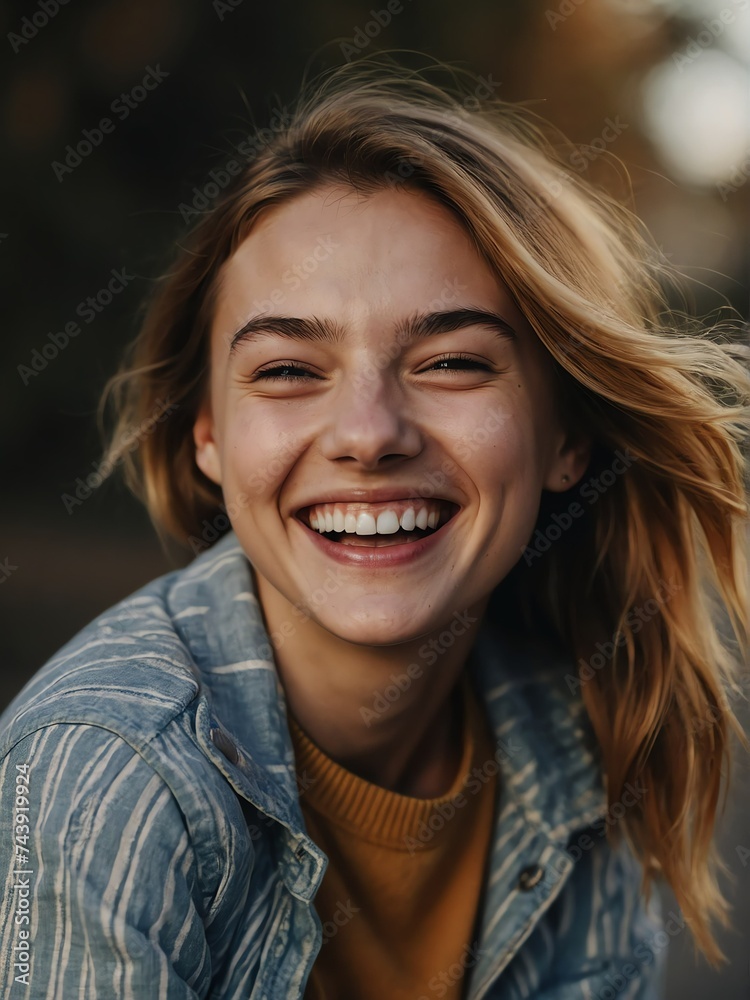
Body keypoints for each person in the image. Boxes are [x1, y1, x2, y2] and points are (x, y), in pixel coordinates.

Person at [1, 56, 748, 1000]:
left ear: (569, 436)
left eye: (451, 363)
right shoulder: (105, 774)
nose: (368, 434)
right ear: (208, 435)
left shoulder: (585, 727)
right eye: (285, 370)